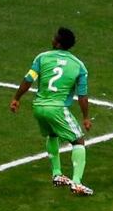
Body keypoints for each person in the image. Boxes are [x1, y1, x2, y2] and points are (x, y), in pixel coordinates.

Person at [10, 27, 93, 195]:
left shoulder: (42, 58)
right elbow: (82, 95)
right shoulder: (78, 66)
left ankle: (57, 174)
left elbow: (28, 79)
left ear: (58, 42)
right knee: (78, 141)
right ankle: (76, 183)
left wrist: (16, 98)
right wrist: (86, 117)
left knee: (53, 135)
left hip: (39, 107)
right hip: (57, 108)